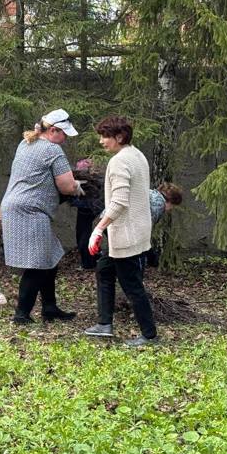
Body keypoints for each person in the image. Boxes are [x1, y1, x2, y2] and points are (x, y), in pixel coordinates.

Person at [1, 109, 85, 325]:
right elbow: (66, 186)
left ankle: (49, 307)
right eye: (64, 134)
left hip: (15, 206)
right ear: (54, 130)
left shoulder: (27, 143)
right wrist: (79, 187)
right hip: (29, 210)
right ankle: (21, 315)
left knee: (51, 256)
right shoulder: (52, 150)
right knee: (37, 264)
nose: (65, 139)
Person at [84, 116, 159, 347]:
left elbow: (119, 202)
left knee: (132, 286)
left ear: (119, 137)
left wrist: (98, 228)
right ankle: (104, 324)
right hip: (133, 232)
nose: (101, 141)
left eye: (105, 136)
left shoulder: (120, 162)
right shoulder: (137, 155)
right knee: (104, 271)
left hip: (126, 236)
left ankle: (149, 335)